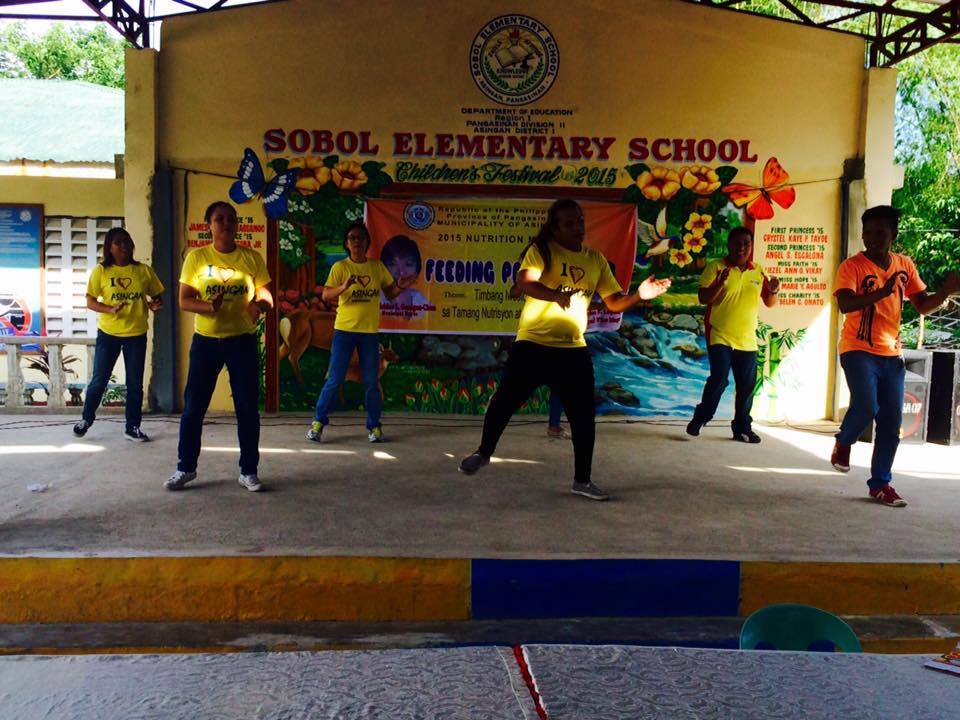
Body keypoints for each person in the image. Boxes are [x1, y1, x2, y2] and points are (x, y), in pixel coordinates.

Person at [458, 199, 671, 500]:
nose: (577, 228)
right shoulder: (542, 250)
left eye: (580, 222)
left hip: (573, 349)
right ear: (555, 228)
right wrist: (555, 295)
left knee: (583, 417)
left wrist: (639, 294)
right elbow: (525, 283)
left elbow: (614, 303)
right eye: (569, 223)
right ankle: (484, 451)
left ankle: (582, 481)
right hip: (533, 343)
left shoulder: (595, 260)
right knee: (504, 402)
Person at [830, 205, 960, 507]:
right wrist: (883, 291)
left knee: (891, 424)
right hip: (857, 349)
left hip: (892, 354)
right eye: (868, 233)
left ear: (894, 235)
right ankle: (844, 440)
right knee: (865, 405)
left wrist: (947, 291)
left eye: (881, 233)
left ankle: (880, 485)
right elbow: (846, 305)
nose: (873, 238)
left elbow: (923, 306)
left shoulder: (905, 264)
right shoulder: (852, 267)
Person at [165, 201, 273, 492]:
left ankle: (248, 471)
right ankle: (185, 468)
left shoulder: (251, 258)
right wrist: (207, 306)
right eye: (219, 218)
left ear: (237, 225)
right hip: (206, 343)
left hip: (242, 342)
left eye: (231, 219)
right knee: (193, 409)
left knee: (248, 409)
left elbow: (267, 296)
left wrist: (257, 305)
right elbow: (184, 300)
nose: (226, 223)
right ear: (209, 225)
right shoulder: (197, 258)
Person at [307, 222, 415, 443]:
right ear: (346, 244)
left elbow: (391, 293)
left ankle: (374, 427)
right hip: (344, 332)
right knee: (335, 379)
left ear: (367, 242)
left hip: (368, 334)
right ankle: (318, 423)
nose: (357, 241)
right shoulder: (340, 267)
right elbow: (327, 295)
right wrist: (344, 287)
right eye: (352, 238)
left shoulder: (376, 267)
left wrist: (401, 286)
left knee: (371, 382)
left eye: (361, 238)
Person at [686, 226, 779, 443]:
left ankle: (742, 428)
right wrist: (720, 282)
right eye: (737, 244)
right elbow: (703, 298)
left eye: (746, 244)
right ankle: (701, 418)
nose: (742, 248)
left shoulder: (758, 271)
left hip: (747, 339)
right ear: (729, 246)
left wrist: (773, 290)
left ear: (751, 247)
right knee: (719, 379)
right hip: (719, 335)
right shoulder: (715, 267)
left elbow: (769, 302)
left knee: (747, 386)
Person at [73, 227, 164, 441]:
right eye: (118, 242)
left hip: (136, 334)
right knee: (99, 380)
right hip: (109, 334)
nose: (124, 246)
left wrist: (155, 304)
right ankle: (86, 419)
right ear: (109, 248)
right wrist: (110, 309)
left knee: (134, 384)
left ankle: (132, 427)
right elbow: (90, 300)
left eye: (127, 241)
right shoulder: (102, 271)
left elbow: (157, 294)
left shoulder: (143, 271)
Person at [508, 273, 568, 439]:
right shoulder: (532, 271)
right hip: (534, 335)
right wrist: (523, 284)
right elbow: (513, 293)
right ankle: (498, 406)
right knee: (519, 382)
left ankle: (554, 426)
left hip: (557, 334)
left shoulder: (565, 269)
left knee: (560, 383)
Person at [380, 234, 429, 318]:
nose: (401, 272)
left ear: (417, 268)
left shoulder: (422, 302)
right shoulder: (375, 297)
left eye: (408, 264)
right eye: (393, 264)